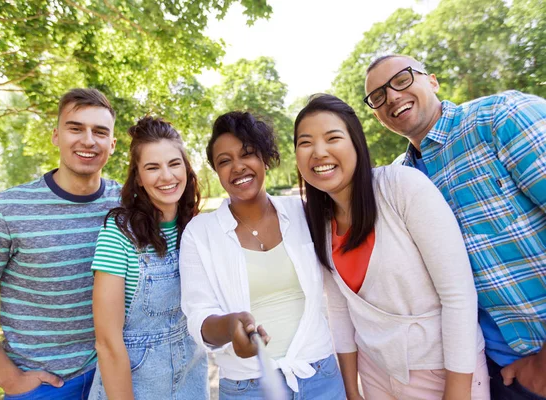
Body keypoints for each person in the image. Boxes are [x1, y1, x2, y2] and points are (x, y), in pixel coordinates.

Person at [365, 54, 546, 399]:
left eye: (402, 80)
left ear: (431, 80)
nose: (391, 97)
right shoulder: (401, 179)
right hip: (491, 369)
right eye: (378, 96)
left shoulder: (500, 118)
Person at [293, 94, 489, 400]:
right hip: (375, 374)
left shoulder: (402, 186)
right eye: (305, 143)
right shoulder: (317, 220)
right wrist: (351, 390)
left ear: (356, 142)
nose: (319, 152)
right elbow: (340, 309)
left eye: (333, 137)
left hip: (442, 370)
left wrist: (457, 391)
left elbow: (458, 296)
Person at [0, 88, 120, 399]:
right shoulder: (3, 211)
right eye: (75, 128)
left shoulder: (128, 204)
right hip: (46, 386)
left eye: (100, 131)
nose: (88, 140)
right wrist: (9, 378)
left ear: (112, 144)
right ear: (56, 135)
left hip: (119, 373)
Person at [179, 111, 346, 399]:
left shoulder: (304, 212)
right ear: (216, 171)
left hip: (321, 376)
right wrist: (231, 327)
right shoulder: (200, 232)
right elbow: (198, 316)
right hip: (249, 387)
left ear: (265, 157)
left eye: (248, 154)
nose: (238, 167)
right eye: (224, 161)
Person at [87, 116, 208, 399]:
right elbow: (107, 342)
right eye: (152, 167)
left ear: (187, 169)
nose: (166, 176)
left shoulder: (197, 228)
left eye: (174, 164)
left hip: (192, 375)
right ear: (139, 178)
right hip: (134, 381)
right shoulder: (118, 235)